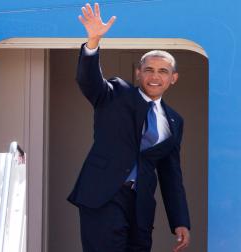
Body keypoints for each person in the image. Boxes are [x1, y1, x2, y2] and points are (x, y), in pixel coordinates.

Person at [67, 3, 191, 252]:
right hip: (104, 196)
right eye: (149, 70)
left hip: (141, 205)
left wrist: (180, 221)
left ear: (173, 78)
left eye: (163, 71)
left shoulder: (175, 120)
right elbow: (89, 81)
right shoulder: (116, 94)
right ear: (138, 73)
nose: (155, 76)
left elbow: (170, 174)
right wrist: (93, 41)